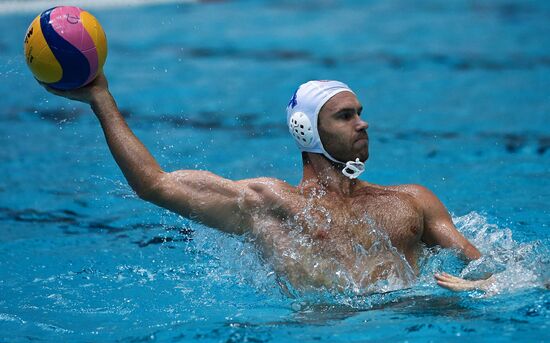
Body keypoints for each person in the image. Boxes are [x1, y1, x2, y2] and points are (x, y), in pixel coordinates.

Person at [41, 74, 494, 294]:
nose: (363, 123)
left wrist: (480, 290)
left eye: (360, 112)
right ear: (305, 130)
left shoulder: (411, 201)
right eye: (345, 115)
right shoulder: (267, 203)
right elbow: (154, 185)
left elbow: (492, 273)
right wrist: (100, 97)